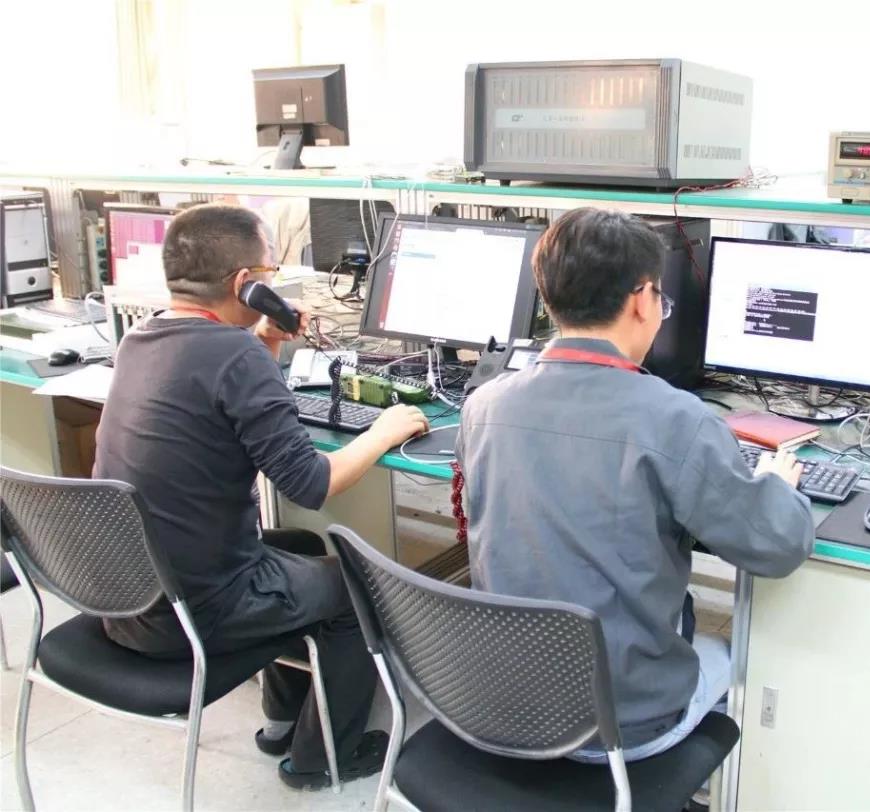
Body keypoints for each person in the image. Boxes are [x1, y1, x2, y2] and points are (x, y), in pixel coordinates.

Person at [456, 207, 815, 763]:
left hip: (504, 705)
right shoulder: (678, 419)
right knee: (738, 657)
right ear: (643, 300)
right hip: (622, 726)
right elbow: (778, 545)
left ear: (547, 297)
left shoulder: (484, 406)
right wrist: (777, 486)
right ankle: (678, 789)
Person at [94, 203, 429, 789]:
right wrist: (383, 431)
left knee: (300, 544)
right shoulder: (235, 355)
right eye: (271, 271)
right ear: (246, 284)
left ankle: (282, 721)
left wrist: (264, 340)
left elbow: (229, 399)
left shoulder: (142, 337)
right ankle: (322, 759)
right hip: (191, 612)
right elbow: (312, 483)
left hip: (128, 597)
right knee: (361, 588)